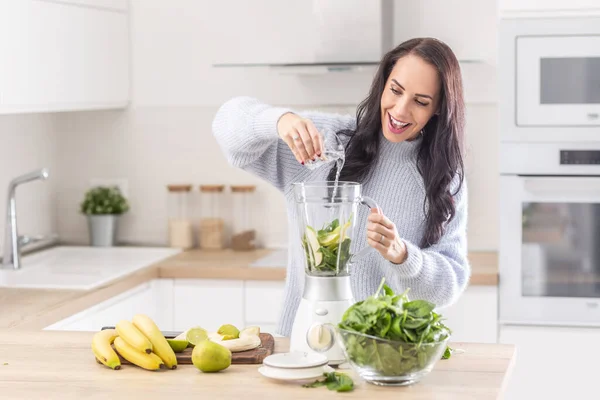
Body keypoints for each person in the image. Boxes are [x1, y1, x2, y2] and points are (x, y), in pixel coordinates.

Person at [212, 37, 470, 337]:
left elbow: (449, 284)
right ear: (383, 84)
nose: (400, 110)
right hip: (301, 342)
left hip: (381, 354)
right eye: (395, 91)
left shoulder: (442, 177)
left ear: (438, 108)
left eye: (421, 101)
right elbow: (226, 125)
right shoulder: (328, 141)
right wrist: (279, 121)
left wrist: (402, 255)